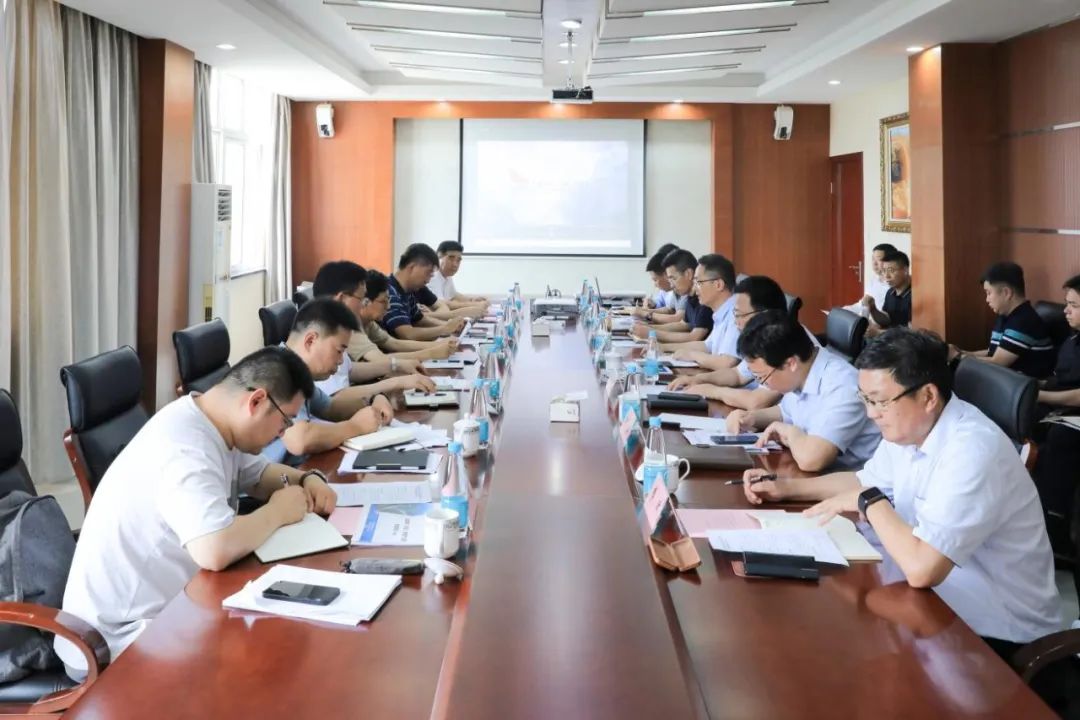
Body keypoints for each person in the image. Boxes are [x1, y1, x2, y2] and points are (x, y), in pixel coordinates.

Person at [743, 328, 1062, 654]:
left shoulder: (972, 450)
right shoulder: (913, 426)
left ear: (928, 396)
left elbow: (923, 568)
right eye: (865, 399)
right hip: (931, 601)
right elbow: (864, 480)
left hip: (997, 630)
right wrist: (788, 488)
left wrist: (869, 502)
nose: (871, 413)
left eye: (880, 401)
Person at [56, 346, 339, 678]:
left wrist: (307, 478)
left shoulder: (214, 421)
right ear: (256, 401)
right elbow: (214, 549)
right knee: (266, 661)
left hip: (172, 606)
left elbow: (260, 475)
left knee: (278, 639)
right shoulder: (185, 446)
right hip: (115, 639)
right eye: (284, 421)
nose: (283, 433)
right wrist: (278, 511)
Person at [725, 311, 881, 471]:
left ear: (791, 363)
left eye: (762, 377)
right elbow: (787, 412)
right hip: (814, 473)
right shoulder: (803, 371)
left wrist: (790, 432)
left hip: (848, 480)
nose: (763, 384)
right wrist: (750, 418)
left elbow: (812, 460)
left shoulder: (843, 386)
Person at [262, 298, 393, 466]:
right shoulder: (279, 372)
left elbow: (331, 408)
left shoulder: (296, 370)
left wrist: (374, 400)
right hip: (272, 480)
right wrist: (356, 427)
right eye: (339, 351)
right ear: (310, 341)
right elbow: (300, 440)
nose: (341, 361)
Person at [310, 260, 437, 396]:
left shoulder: (336, 327)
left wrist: (396, 365)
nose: (364, 306)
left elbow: (350, 370)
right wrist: (396, 383)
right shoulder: (323, 336)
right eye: (362, 299)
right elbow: (334, 400)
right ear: (341, 299)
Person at [669, 275, 792, 410]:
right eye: (735, 314)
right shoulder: (762, 338)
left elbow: (756, 401)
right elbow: (737, 375)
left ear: (764, 314)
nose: (735, 322)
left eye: (740, 315)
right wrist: (698, 379)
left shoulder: (784, 340)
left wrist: (712, 391)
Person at [1031, 274, 1080, 569]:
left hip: (1074, 415)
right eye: (1066, 304)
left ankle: (1057, 529)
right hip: (1059, 407)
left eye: (1073, 305)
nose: (1066, 311)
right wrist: (1033, 386)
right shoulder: (1071, 341)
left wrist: (1043, 396)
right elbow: (1059, 378)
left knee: (1061, 438)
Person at [948, 261, 1055, 379]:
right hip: (1007, 380)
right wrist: (963, 352)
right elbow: (992, 352)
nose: (987, 299)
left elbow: (998, 363)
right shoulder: (1006, 316)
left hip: (1029, 386)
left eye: (989, 293)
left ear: (1006, 293)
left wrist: (958, 357)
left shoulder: (1024, 320)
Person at [350, 269, 458, 363]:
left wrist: (440, 345)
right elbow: (380, 360)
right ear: (365, 302)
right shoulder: (350, 326)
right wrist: (430, 353)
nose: (388, 307)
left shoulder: (369, 323)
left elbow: (394, 343)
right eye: (383, 301)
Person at [667, 254, 740, 368]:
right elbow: (707, 345)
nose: (695, 288)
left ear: (718, 285)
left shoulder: (737, 313)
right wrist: (663, 347)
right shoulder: (721, 311)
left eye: (699, 283)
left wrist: (691, 355)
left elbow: (726, 362)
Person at [383, 243, 468, 341]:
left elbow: (420, 320)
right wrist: (444, 328)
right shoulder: (389, 292)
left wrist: (450, 326)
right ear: (412, 267)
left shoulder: (408, 291)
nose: (428, 281)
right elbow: (408, 334)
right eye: (428, 273)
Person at [630, 249, 713, 344]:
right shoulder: (690, 297)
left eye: (673, 278)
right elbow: (683, 325)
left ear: (688, 274)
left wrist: (652, 333)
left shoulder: (704, 299)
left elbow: (694, 337)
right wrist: (648, 327)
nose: (671, 285)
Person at [628, 243, 683, 318]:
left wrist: (646, 314)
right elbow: (669, 309)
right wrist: (648, 308)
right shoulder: (673, 289)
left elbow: (678, 318)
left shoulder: (682, 288)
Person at [428, 241, 487, 309]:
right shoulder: (432, 276)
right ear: (439, 256)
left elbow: (454, 295)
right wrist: (474, 305)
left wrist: (472, 300)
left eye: (458, 260)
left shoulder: (447, 276)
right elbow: (441, 304)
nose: (455, 264)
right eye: (451, 258)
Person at [843, 243, 896, 318]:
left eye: (878, 259)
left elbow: (887, 318)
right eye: (873, 259)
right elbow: (862, 305)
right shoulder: (874, 280)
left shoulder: (895, 287)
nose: (874, 263)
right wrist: (844, 310)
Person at [866, 249, 912, 332]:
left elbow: (912, 332)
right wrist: (872, 307)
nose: (886, 276)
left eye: (891, 270)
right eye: (884, 271)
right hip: (889, 337)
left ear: (905, 270)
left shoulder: (916, 295)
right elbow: (887, 319)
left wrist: (879, 333)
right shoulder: (890, 292)